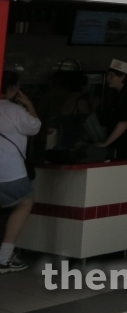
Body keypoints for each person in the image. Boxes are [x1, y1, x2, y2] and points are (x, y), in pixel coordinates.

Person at [0, 70, 41, 273]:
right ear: (10, 88)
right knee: (25, 202)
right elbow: (35, 127)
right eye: (16, 86)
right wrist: (29, 105)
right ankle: (4, 257)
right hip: (9, 171)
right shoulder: (15, 110)